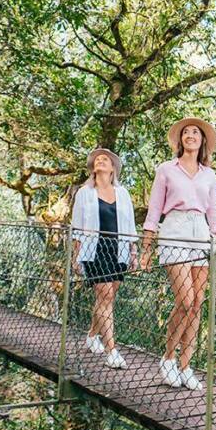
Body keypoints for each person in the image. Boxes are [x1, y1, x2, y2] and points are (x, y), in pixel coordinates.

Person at [139, 117, 216, 390]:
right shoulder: (166, 169)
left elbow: (215, 213)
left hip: (201, 234)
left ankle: (186, 365)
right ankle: (168, 358)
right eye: (186, 132)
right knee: (186, 299)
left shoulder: (209, 175)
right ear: (180, 141)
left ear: (202, 141)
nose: (190, 135)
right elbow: (154, 210)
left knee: (198, 303)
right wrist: (147, 247)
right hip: (174, 230)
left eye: (196, 132)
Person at [70, 148, 137, 370]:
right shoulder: (84, 193)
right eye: (97, 159)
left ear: (113, 168)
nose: (100, 160)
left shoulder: (124, 193)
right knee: (105, 294)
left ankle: (92, 335)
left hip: (118, 250)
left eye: (105, 159)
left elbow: (130, 225)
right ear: (93, 167)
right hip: (94, 249)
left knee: (107, 297)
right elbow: (77, 226)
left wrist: (133, 251)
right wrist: (76, 255)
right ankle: (112, 351)